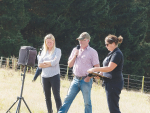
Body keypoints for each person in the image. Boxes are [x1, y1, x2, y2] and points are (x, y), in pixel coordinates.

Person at [58, 32, 100, 113]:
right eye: (79, 40)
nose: (80, 42)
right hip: (75, 79)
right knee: (67, 99)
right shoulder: (75, 50)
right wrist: (75, 55)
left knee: (87, 102)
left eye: (82, 40)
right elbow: (70, 65)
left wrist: (88, 78)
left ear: (87, 40)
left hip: (86, 80)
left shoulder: (93, 52)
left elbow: (97, 67)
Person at [87, 34, 124, 113]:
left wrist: (94, 68)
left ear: (113, 43)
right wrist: (100, 74)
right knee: (112, 107)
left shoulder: (117, 54)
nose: (106, 46)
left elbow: (110, 68)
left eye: (107, 44)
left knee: (113, 108)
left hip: (114, 83)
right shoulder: (112, 53)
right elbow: (107, 68)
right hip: (110, 82)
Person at [38, 34, 62, 113]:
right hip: (44, 77)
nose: (49, 44)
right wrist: (50, 63)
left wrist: (45, 62)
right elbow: (39, 65)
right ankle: (50, 111)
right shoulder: (43, 52)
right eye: (47, 42)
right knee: (47, 97)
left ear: (53, 41)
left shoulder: (57, 51)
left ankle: (59, 111)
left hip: (54, 76)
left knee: (56, 96)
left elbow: (55, 62)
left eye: (50, 42)